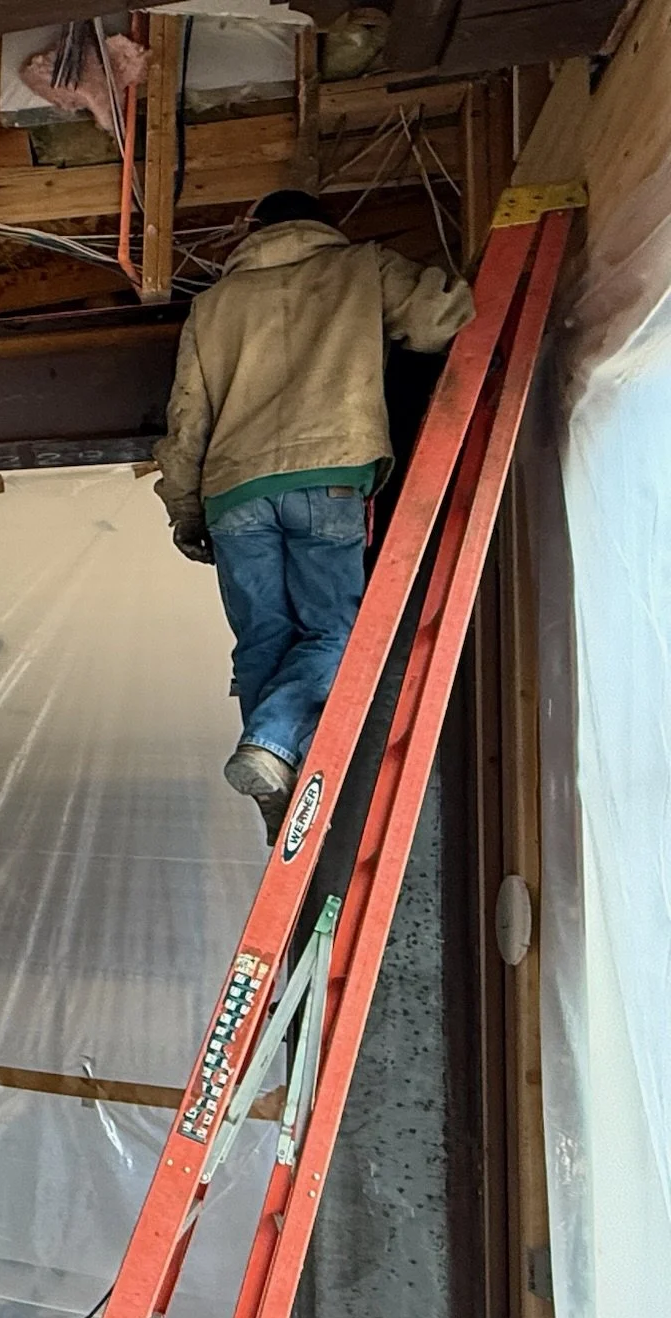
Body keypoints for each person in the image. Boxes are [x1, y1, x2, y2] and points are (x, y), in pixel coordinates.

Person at [155, 189, 474, 841]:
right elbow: (441, 318)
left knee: (263, 639)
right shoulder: (360, 268)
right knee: (336, 630)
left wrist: (186, 511)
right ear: (321, 225)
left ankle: (276, 780)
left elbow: (186, 419)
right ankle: (272, 746)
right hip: (328, 476)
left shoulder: (214, 307)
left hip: (234, 493)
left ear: (255, 228)